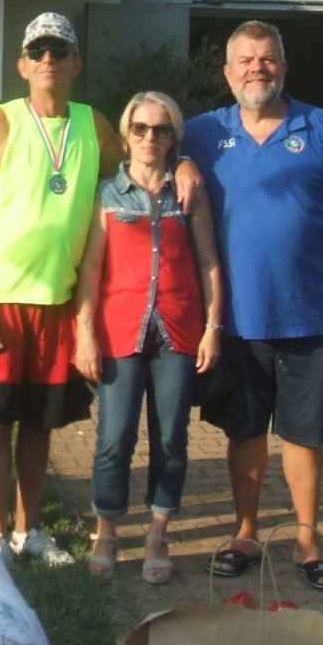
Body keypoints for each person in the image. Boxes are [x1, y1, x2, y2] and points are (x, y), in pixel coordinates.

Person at [186, 20, 323, 592]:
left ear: (284, 67)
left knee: (305, 433)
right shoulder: (202, 134)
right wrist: (178, 163)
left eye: (268, 58)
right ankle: (245, 533)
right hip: (236, 317)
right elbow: (147, 157)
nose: (258, 68)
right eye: (246, 60)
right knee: (244, 429)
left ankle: (306, 539)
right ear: (228, 73)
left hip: (309, 312)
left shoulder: (320, 126)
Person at [0, 13, 139, 566]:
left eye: (60, 52)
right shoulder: (2, 122)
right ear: (22, 65)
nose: (49, 62)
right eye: (38, 53)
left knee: (38, 424)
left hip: (59, 303)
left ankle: (28, 529)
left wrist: (178, 172)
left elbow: (131, 170)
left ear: (76, 64)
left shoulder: (94, 123)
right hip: (2, 304)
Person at [73, 92, 223, 584]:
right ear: (125, 134)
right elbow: (92, 268)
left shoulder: (188, 192)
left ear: (173, 138)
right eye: (140, 128)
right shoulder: (107, 194)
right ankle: (107, 531)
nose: (149, 138)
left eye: (160, 130)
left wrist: (213, 327)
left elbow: (209, 264)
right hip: (120, 329)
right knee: (114, 437)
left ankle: (159, 534)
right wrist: (85, 333)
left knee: (171, 438)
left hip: (178, 329)